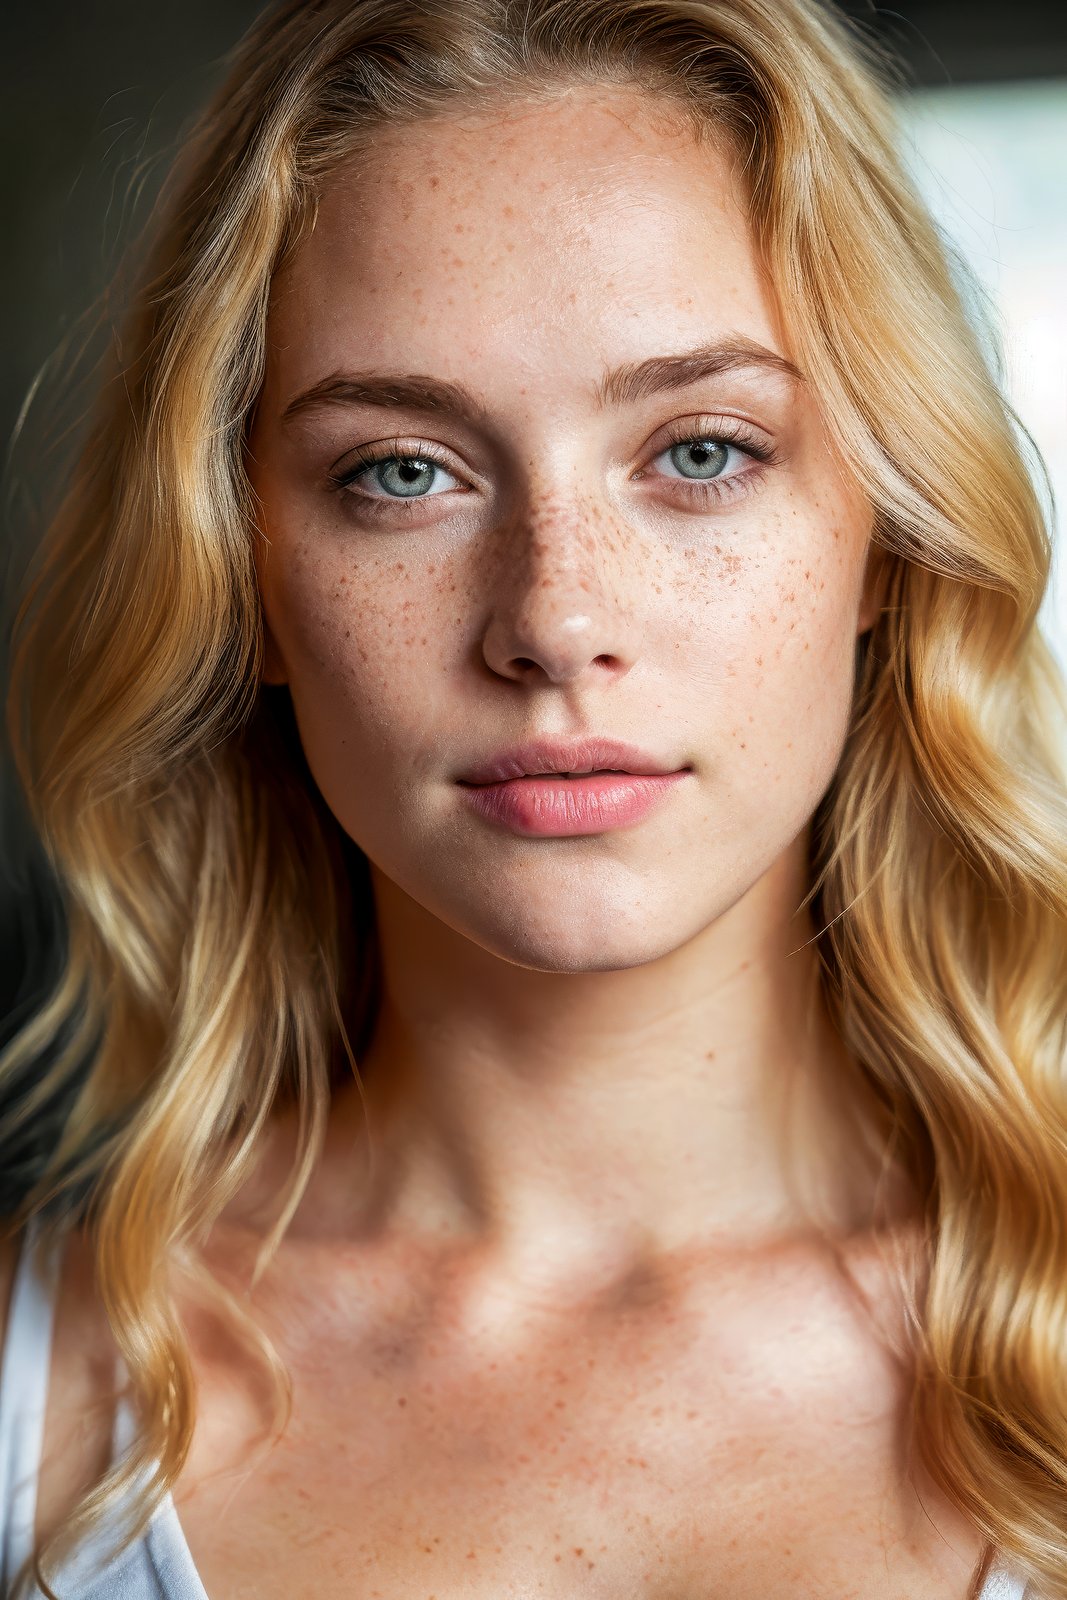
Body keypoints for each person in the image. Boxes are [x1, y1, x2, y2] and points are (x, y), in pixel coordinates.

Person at [1, 0, 1065, 1595]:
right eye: (403, 472)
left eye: (701, 452)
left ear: (885, 542)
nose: (556, 622)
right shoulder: (33, 1402)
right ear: (249, 583)